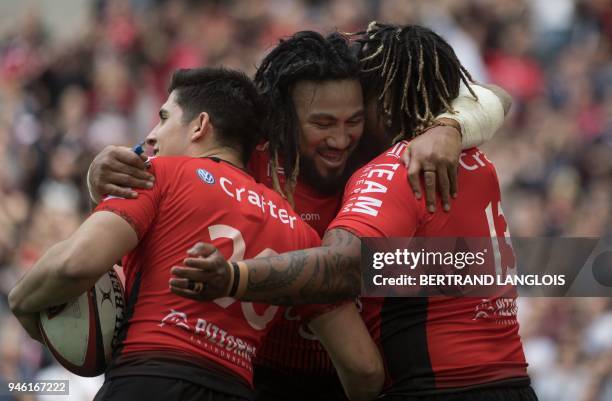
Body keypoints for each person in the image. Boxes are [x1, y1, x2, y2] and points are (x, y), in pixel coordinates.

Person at [87, 30, 510, 401]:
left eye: (353, 121)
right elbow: (154, 165)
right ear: (282, 118)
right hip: (251, 375)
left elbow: (498, 96)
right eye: (322, 123)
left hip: (347, 380)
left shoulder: (381, 157)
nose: (340, 138)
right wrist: (99, 173)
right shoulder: (245, 155)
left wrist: (449, 125)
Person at [8, 67, 383, 401]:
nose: (152, 135)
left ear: (200, 125)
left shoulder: (160, 173)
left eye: (164, 117)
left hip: (148, 379)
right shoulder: (301, 233)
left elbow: (76, 264)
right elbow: (365, 370)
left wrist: (21, 300)